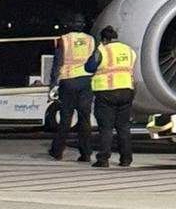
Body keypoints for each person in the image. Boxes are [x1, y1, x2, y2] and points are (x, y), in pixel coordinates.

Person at [85, 25, 137, 168]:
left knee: (106, 127)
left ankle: (103, 159)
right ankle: (126, 159)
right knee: (123, 127)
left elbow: (89, 67)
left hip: (107, 92)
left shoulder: (102, 50)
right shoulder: (129, 50)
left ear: (104, 39)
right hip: (126, 91)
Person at [48, 17, 95, 162]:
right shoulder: (90, 40)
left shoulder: (64, 39)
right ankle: (86, 153)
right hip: (86, 81)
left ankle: (57, 151)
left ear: (69, 25)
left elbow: (58, 62)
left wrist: (52, 85)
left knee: (66, 118)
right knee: (84, 118)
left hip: (68, 81)